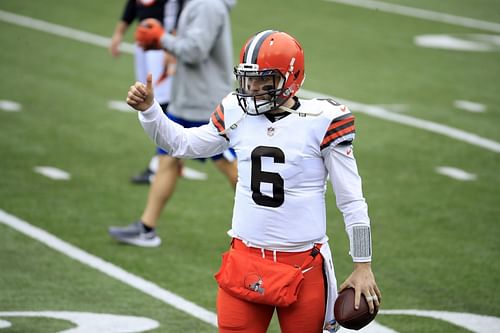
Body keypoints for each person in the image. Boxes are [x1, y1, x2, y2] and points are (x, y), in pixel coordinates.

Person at [125, 29, 381, 332]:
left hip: (304, 263)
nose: (254, 88)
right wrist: (151, 112)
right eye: (249, 78)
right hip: (245, 259)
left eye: (265, 80)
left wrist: (362, 264)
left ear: (291, 78)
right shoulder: (236, 110)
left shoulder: (324, 120)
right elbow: (183, 144)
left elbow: (351, 199)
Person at [108, 0, 238, 247]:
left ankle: (270, 223)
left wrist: (161, 38)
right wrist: (164, 38)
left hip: (204, 102)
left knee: (230, 166)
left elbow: (195, 50)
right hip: (188, 98)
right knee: (167, 158)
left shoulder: (208, 5)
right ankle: (146, 228)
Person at [109, 0, 181, 185]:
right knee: (147, 96)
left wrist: (171, 43)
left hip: (162, 39)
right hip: (145, 38)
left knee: (162, 101)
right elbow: (135, 3)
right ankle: (171, 160)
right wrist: (119, 32)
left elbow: (180, 7)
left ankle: (161, 162)